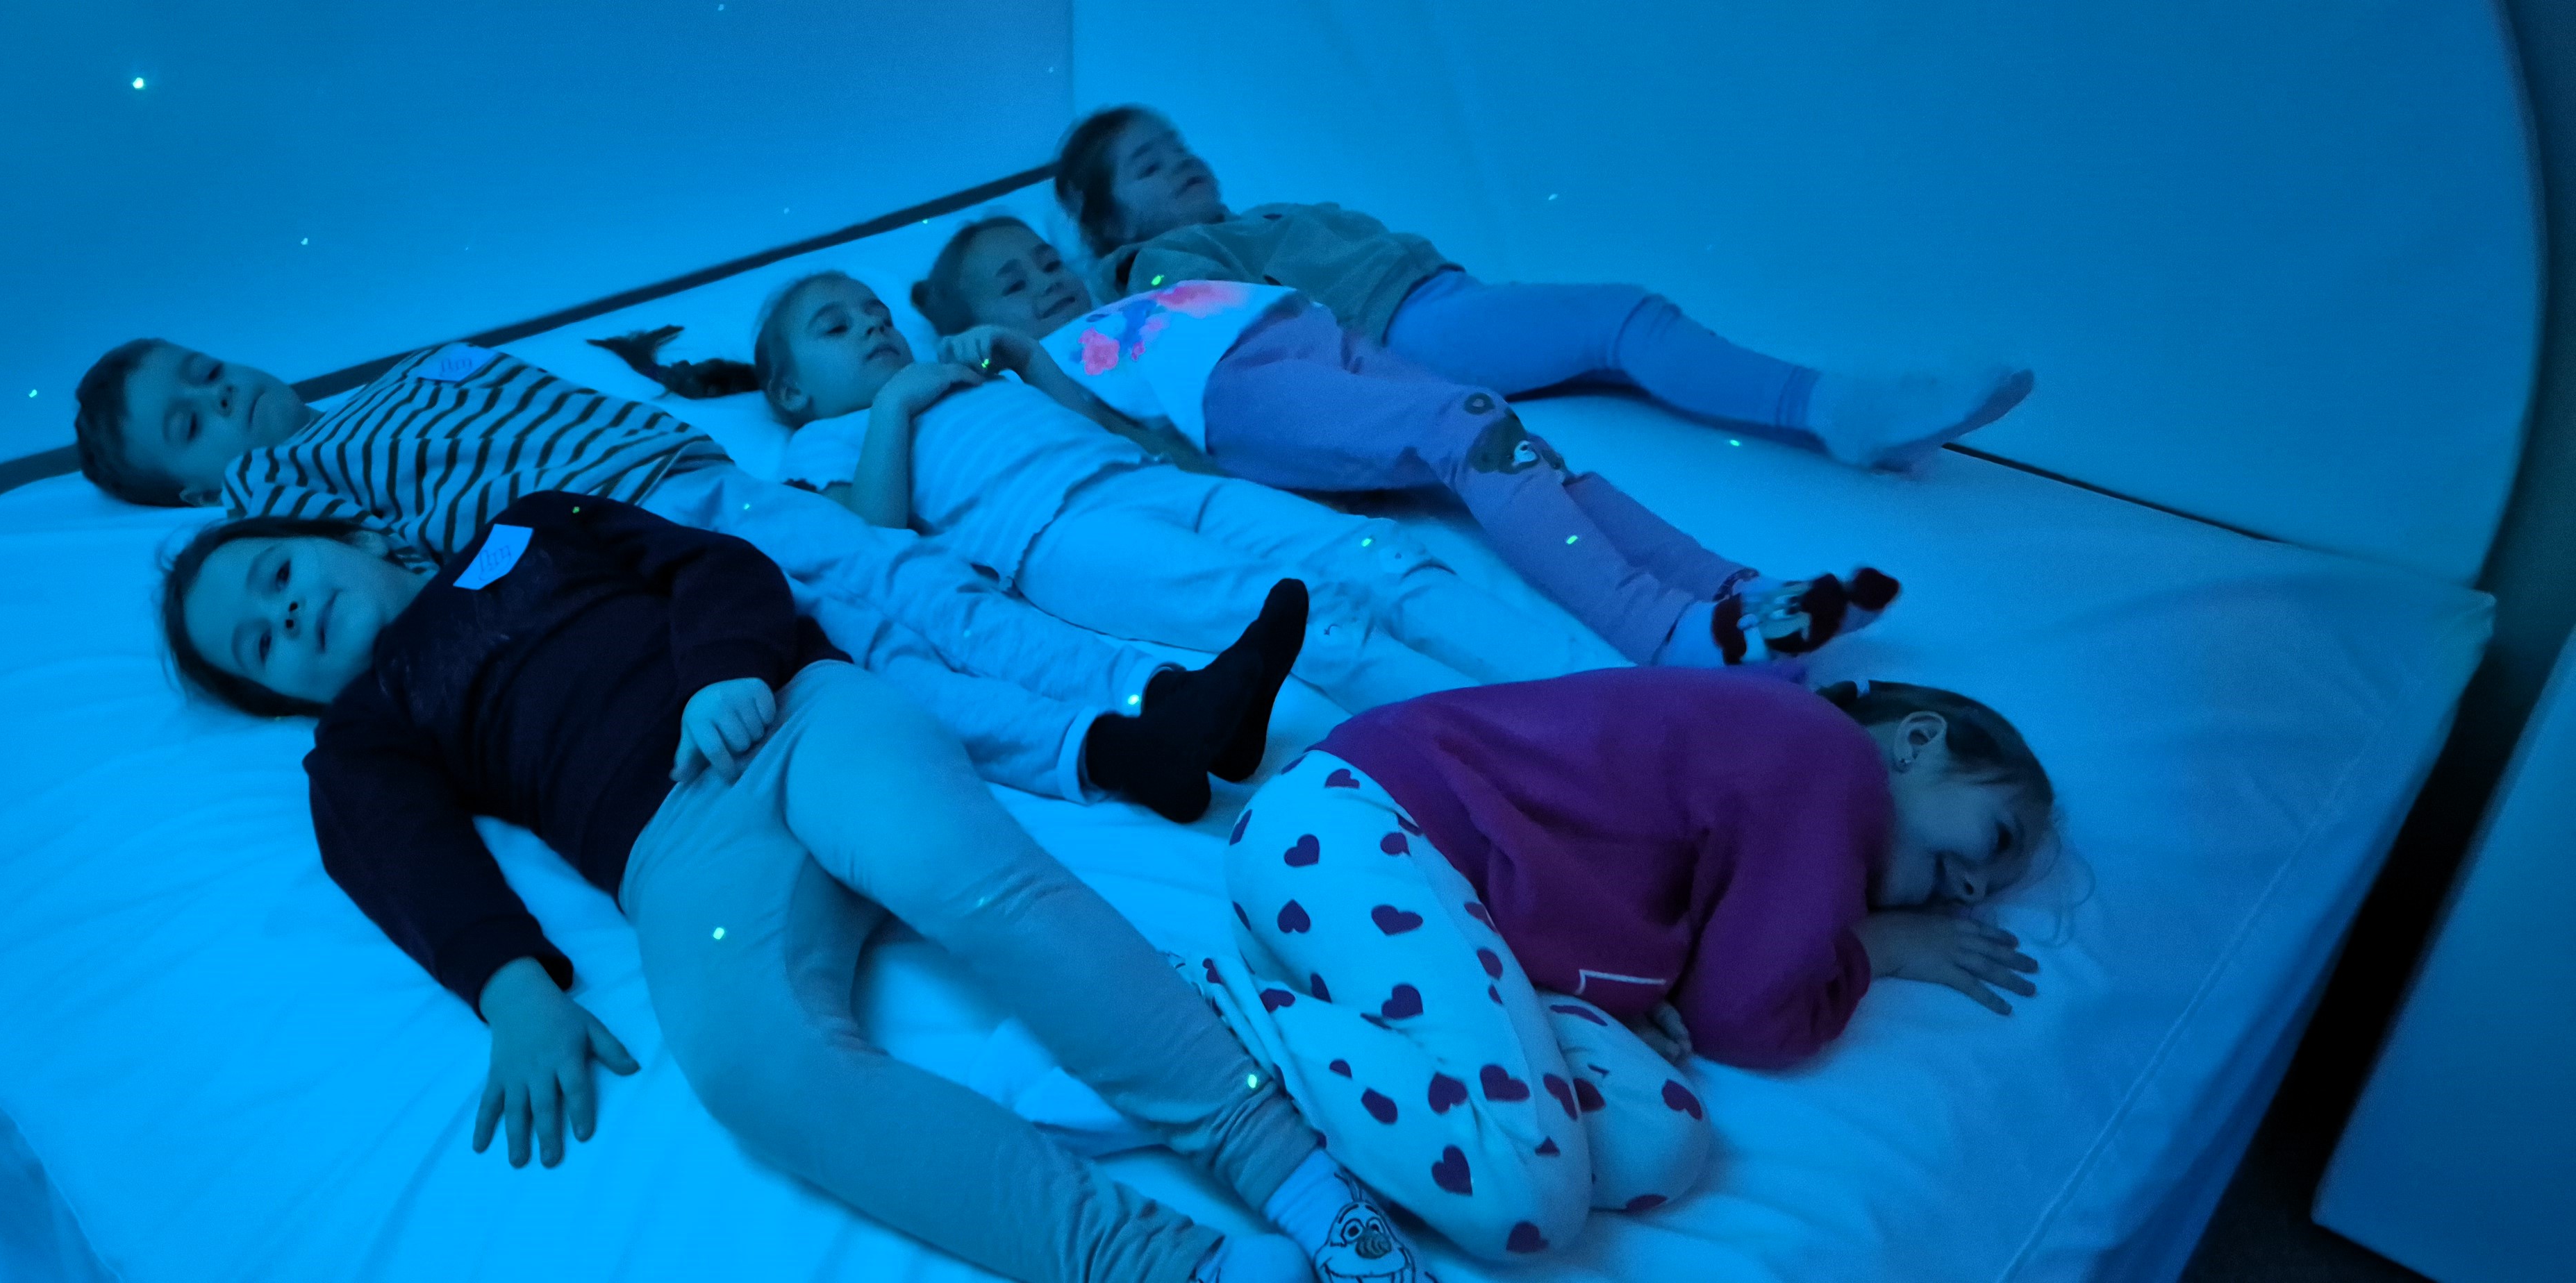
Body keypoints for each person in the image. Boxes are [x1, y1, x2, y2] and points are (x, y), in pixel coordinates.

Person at [158, 491, 1420, 1283]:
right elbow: (394, 848)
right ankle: (1163, 1267)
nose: (289, 616)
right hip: (674, 851)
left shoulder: (530, 525)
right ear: (284, 700)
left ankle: (1293, 1175)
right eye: (261, 648)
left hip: (791, 717)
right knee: (751, 1071)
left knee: (958, 876)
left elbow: (712, 565)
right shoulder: (371, 724)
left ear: (356, 533)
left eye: (277, 576)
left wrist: (724, 666)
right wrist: (509, 985)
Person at [69, 336, 1293, 818]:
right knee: (877, 645)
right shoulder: (280, 498)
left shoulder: (399, 374)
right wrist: (242, 491)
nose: (222, 398)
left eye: (206, 372)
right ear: (192, 492)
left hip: (695, 478)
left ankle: (1162, 694)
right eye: (190, 424)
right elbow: (341, 587)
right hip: (622, 545)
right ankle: (1113, 741)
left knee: (918, 586)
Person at [1178, 668, 2052, 1259]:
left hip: (1418, 898)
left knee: (1658, 1140)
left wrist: (1624, 987)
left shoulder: (1775, 786)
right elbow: (1746, 1015)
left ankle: (1303, 1027)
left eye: (1991, 887)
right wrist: (1878, 949)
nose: (1973, 888)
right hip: (1359, 826)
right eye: (1998, 837)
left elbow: (1695, 959)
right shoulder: (1832, 767)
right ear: (1918, 740)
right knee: (1525, 1192)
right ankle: (1194, 1012)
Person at [910, 215, 1900, 666]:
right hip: (1237, 394)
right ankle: (1665, 633)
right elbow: (1115, 443)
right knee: (1465, 431)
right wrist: (1010, 353)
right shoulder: (1052, 365)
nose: (1045, 280)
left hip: (1314, 338)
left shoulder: (1131, 294)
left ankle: (1738, 591)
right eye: (1013, 284)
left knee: (1523, 453)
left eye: (1042, 258)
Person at [1054, 106, 2034, 473]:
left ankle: (1839, 420)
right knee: (1622, 319)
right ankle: (1839, 409)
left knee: (1620, 357)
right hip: (1405, 329)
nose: (1179, 162)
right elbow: (1231, 336)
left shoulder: (1248, 218)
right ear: (1108, 220)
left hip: (1434, 302)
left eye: (1177, 144)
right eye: (1148, 166)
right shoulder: (1159, 265)